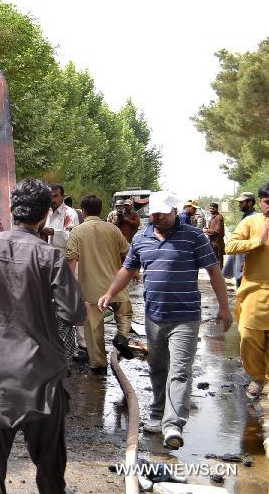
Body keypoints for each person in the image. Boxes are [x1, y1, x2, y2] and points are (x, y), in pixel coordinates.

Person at [0, 179, 86, 494]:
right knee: (50, 469)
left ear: (12, 211)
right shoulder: (51, 257)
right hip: (42, 378)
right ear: (45, 215)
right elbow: (74, 314)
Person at [98, 191, 231, 450]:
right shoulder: (142, 237)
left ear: (174, 211)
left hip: (186, 317)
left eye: (162, 213)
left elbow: (214, 270)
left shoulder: (193, 237)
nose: (156, 217)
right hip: (154, 316)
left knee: (180, 371)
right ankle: (158, 414)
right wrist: (110, 292)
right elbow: (128, 269)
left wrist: (224, 308)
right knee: (158, 368)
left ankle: (173, 424)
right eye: (154, 213)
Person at [65, 195, 132, 376]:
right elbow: (128, 252)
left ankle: (99, 365)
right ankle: (122, 336)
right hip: (115, 287)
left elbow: (71, 260)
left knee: (93, 329)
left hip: (91, 290)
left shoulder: (77, 232)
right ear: (101, 211)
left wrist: (69, 287)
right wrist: (135, 272)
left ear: (84, 211)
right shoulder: (113, 229)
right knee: (124, 313)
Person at [225, 183, 269, 399]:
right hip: (254, 291)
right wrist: (255, 242)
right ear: (261, 202)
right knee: (249, 336)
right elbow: (230, 247)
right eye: (267, 201)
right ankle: (257, 377)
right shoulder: (251, 222)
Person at [230, 192, 258, 288]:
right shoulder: (246, 216)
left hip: (248, 262)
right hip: (240, 260)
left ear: (249, 203)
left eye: (241, 202)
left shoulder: (255, 218)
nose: (239, 205)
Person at [41, 183, 79, 249]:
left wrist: (53, 232)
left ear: (62, 196)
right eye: (50, 196)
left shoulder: (70, 213)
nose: (52, 200)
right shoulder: (44, 212)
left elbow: (73, 239)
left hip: (62, 257)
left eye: (55, 196)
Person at [203, 202, 225, 270]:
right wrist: (207, 229)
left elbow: (218, 231)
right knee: (214, 261)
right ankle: (215, 278)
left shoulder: (218, 218)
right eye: (210, 209)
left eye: (212, 209)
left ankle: (220, 278)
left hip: (217, 243)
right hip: (213, 242)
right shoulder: (213, 217)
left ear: (216, 209)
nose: (210, 210)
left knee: (218, 261)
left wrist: (206, 231)